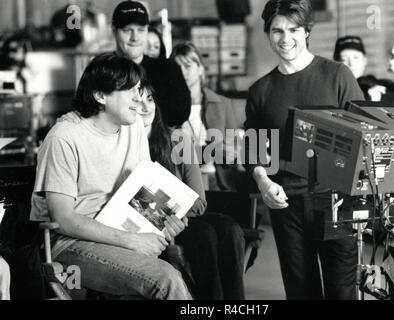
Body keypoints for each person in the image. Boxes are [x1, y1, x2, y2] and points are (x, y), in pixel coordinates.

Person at [29, 53, 191, 300]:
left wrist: (165, 220)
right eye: (130, 90)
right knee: (165, 279)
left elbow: (143, 192)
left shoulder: (133, 126)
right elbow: (62, 218)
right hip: (71, 243)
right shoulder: (64, 137)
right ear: (100, 95)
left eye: (139, 89)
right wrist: (131, 241)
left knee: (183, 264)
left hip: (120, 233)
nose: (139, 98)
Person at [245, 0, 364, 300]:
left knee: (342, 291)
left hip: (336, 203)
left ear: (307, 30)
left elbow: (366, 139)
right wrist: (263, 181)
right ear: (268, 33)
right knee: (300, 291)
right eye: (277, 31)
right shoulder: (261, 91)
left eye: (293, 29)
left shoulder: (337, 76)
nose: (285, 38)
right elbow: (254, 148)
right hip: (287, 205)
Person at [140, 84, 246, 300]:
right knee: (205, 235)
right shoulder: (126, 145)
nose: (145, 107)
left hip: (185, 218)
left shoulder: (178, 139)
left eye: (149, 99)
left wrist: (168, 206)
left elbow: (198, 203)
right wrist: (174, 206)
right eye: (137, 101)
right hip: (154, 228)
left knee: (230, 228)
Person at [170, 42, 244, 191]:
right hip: (182, 182)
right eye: (177, 68)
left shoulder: (223, 103)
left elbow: (235, 150)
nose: (183, 72)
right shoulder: (167, 108)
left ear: (200, 69)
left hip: (219, 181)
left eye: (188, 66)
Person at [112, 0, 191, 127]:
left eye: (141, 30)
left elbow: (181, 113)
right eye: (127, 30)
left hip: (158, 145)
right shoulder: (101, 70)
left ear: (147, 30)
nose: (135, 37)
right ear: (114, 31)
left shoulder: (168, 68)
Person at [333, 35, 394, 110]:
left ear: (364, 60)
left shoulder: (383, 84)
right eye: (344, 59)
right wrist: (369, 101)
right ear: (336, 63)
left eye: (356, 57)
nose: (351, 63)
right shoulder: (334, 91)